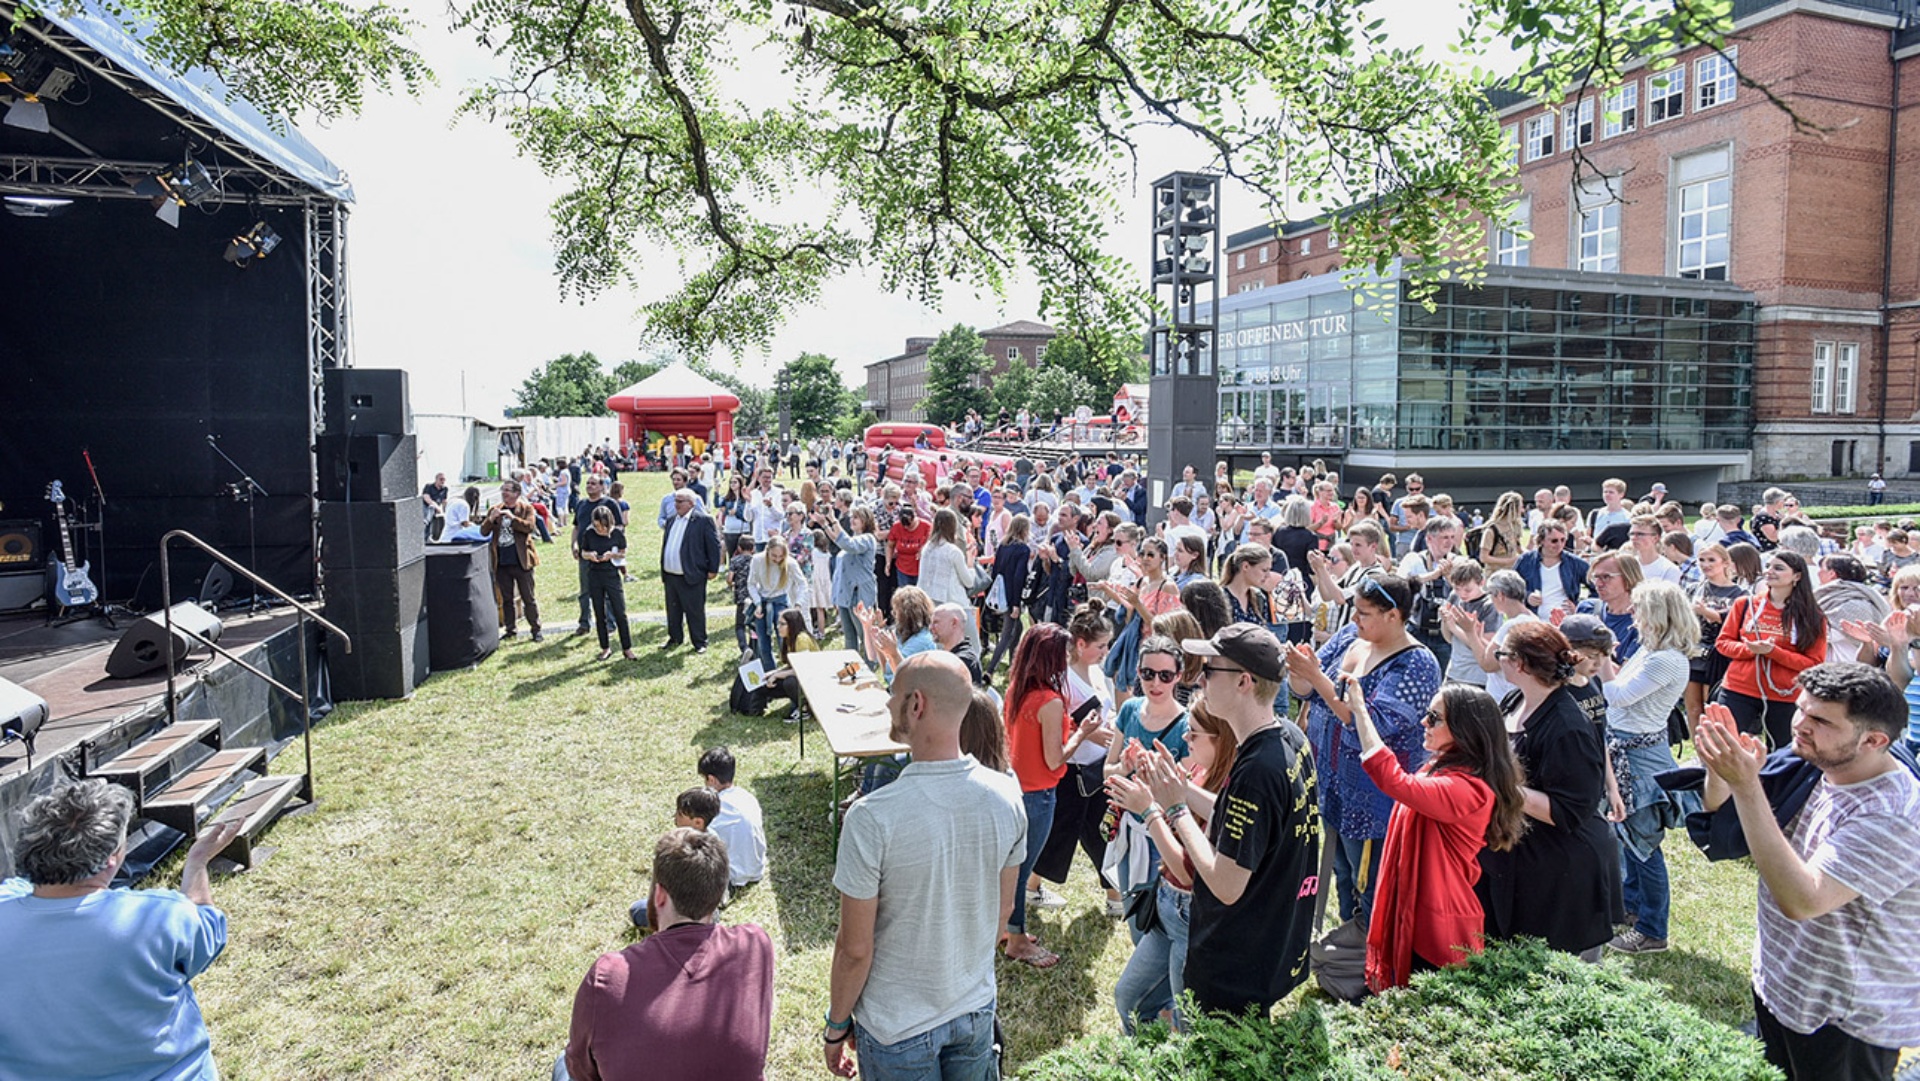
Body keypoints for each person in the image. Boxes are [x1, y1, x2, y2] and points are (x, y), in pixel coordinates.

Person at [1696, 666, 1920, 1081]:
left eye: (1821, 720)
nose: (1800, 724)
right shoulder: (1817, 763)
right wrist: (1722, 771)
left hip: (1845, 1019)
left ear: (1873, 740)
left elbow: (1803, 900)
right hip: (1783, 986)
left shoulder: (1895, 814)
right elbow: (1722, 814)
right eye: (1801, 709)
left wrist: (1746, 785)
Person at [825, 653, 1026, 1079]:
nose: (887, 703)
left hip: (896, 1027)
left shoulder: (871, 817)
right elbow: (1003, 913)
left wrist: (836, 1025)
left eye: (893, 693)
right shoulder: (1008, 797)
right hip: (974, 1009)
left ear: (916, 704)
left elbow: (855, 949)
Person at [0, 781, 244, 1080]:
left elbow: (20, 889)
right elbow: (207, 928)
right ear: (112, 857)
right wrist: (197, 863)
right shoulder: (161, 916)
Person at [1139, 623, 1318, 1017]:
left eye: (1209, 670)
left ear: (1243, 681)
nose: (1199, 679)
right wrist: (1183, 790)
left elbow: (1225, 884)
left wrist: (1175, 809)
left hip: (1235, 967)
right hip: (1271, 948)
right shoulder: (1289, 737)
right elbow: (1253, 822)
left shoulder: (1257, 771)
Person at [1343, 682, 1525, 990]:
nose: (1424, 722)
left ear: (1465, 729)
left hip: (1438, 925)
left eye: (1435, 717)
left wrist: (1360, 710)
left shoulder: (1467, 789)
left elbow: (1394, 781)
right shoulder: (1444, 768)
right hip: (1426, 910)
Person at [1286, 573, 1441, 927]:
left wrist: (1316, 677)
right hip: (1333, 784)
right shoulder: (1349, 636)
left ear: (1393, 615)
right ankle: (1347, 942)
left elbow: (1371, 725)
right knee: (1341, 872)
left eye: (1364, 613)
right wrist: (1300, 670)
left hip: (1375, 800)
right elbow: (1307, 690)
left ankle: (1372, 953)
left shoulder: (1417, 663)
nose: (1354, 618)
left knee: (1371, 884)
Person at [567, 829, 773, 1081]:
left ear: (660, 895)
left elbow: (580, 1070)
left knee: (561, 1065)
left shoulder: (607, 976)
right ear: (719, 893)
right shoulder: (755, 945)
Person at [1476, 621, 1619, 958]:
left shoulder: (1568, 727)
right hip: (1523, 857)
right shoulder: (1515, 699)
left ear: (1521, 664)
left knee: (1557, 974)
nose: (1498, 659)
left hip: (1563, 870)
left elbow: (1569, 811)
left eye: (1502, 654)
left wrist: (1500, 784)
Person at [1106, 695, 1237, 1033]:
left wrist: (1149, 811)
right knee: (1128, 998)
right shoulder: (1200, 769)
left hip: (1191, 919)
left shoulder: (1232, 790)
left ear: (1221, 738)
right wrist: (1155, 780)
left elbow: (1186, 871)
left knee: (1188, 1025)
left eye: (1194, 733)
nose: (1185, 737)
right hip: (1169, 911)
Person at [1600, 581, 1696, 955]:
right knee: (1628, 838)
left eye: (1638, 608)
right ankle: (1632, 908)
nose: (1633, 614)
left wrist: (1601, 657)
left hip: (1640, 758)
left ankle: (1653, 931)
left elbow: (1618, 695)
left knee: (1644, 845)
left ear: (1657, 613)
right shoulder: (1651, 651)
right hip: (1629, 749)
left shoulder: (1666, 659)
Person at [1031, 604, 1124, 918]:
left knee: (1098, 832)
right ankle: (1030, 887)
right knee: (1063, 833)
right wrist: (1095, 735)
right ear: (1081, 644)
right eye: (1101, 646)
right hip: (1073, 770)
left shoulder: (1095, 671)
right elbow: (1066, 726)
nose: (1105, 652)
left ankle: (1114, 897)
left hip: (1097, 768)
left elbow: (1105, 714)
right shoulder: (1064, 679)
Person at [1717, 550, 1828, 749]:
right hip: (1738, 688)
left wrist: (1773, 652)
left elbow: (1814, 663)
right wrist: (1751, 650)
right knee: (1725, 746)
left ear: (1797, 576)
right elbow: (1723, 643)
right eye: (1768, 566)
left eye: (1778, 568)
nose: (1769, 571)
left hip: (1785, 694)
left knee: (1783, 753)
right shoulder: (1745, 604)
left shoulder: (1812, 616)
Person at [660, 487, 723, 654]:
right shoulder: (671, 520)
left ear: (691, 503)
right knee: (673, 610)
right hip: (671, 575)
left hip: (692, 574)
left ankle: (699, 641)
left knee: (694, 611)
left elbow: (714, 546)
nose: (676, 504)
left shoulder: (703, 520)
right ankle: (675, 637)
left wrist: (713, 569)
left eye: (680, 501)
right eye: (675, 501)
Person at [482, 479, 543, 641]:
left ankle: (536, 629)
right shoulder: (495, 509)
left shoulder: (526, 508)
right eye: (503, 490)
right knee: (506, 599)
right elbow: (483, 532)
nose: (504, 493)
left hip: (521, 561)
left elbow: (529, 527)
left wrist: (513, 518)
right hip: (502, 562)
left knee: (528, 598)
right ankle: (510, 629)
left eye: (507, 490)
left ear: (517, 493)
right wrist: (490, 519)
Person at [579, 505, 635, 660]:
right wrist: (590, 555)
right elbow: (583, 552)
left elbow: (623, 552)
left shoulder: (616, 533)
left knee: (620, 611)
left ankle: (627, 648)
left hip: (611, 575)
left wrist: (612, 555)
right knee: (599, 612)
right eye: (597, 526)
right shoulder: (589, 533)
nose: (601, 530)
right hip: (595, 575)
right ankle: (605, 647)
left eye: (603, 526)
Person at [747, 534, 799, 673]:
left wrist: (798, 604)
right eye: (774, 556)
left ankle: (788, 672)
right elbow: (751, 584)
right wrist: (757, 603)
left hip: (781, 602)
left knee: (784, 642)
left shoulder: (790, 563)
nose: (777, 559)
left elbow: (802, 583)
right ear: (767, 550)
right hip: (763, 603)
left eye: (780, 556)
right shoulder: (757, 560)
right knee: (763, 644)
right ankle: (769, 673)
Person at [1517, 520, 1587, 619]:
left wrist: (1580, 607)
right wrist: (1527, 596)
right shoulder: (1526, 560)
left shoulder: (1574, 563)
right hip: (1533, 620)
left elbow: (1597, 586)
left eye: (1563, 540)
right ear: (1541, 540)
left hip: (1566, 621)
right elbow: (1511, 587)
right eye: (1554, 541)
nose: (1559, 544)